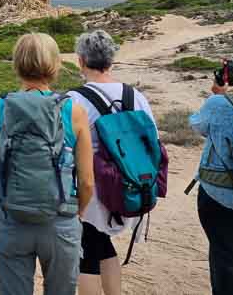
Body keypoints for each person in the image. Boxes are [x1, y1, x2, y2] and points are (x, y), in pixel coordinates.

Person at [0, 33, 94, 295]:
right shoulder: (73, 110)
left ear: (17, 64)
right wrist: (77, 214)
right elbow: (87, 181)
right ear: (55, 65)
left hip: (12, 219)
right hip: (60, 221)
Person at [67, 30, 161, 295]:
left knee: (85, 255)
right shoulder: (135, 96)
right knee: (103, 246)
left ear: (81, 61)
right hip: (127, 185)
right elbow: (153, 141)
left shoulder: (74, 99)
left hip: (91, 190)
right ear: (111, 61)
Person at [190, 46, 233, 295]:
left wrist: (218, 95)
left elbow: (197, 126)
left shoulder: (219, 104)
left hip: (220, 195)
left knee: (225, 259)